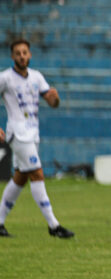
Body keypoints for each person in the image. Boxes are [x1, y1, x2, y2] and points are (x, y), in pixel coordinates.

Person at [0, 39, 74, 239]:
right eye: (18, 53)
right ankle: (53, 225)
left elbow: (52, 102)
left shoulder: (37, 77)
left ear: (30, 54)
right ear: (12, 56)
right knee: (38, 174)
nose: (22, 56)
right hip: (18, 133)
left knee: (20, 178)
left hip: (33, 134)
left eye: (25, 52)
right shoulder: (5, 78)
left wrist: (55, 98)